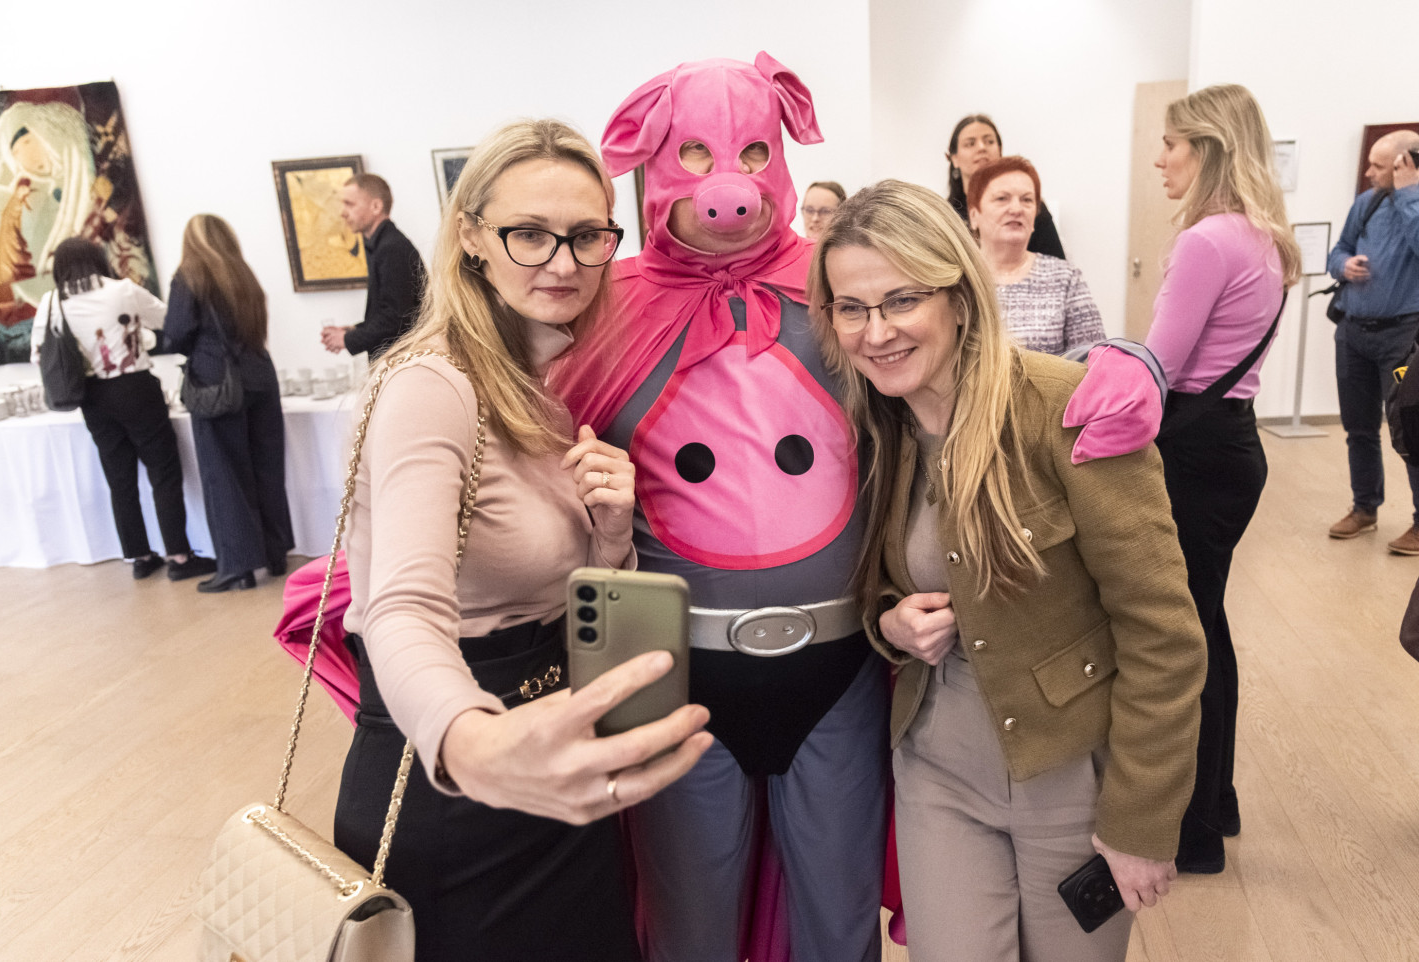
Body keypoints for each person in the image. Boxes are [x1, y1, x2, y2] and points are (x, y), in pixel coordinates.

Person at [549, 53, 1167, 962]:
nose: (727, 186)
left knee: (839, 925)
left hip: (841, 663)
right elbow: (524, 404)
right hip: (680, 668)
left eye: (752, 154)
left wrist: (1129, 363)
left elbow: (954, 376)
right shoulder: (613, 305)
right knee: (685, 927)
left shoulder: (833, 286)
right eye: (698, 156)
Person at [330, 118, 713, 962]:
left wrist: (609, 537)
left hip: (546, 762)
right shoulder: (432, 384)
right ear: (471, 236)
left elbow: (544, 591)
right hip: (457, 787)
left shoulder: (535, 386)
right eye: (530, 234)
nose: (564, 263)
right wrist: (473, 745)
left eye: (586, 236)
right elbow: (400, 606)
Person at [809, 178, 1206, 962]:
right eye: (851, 308)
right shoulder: (874, 432)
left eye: (901, 300)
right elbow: (880, 581)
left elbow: (1163, 634)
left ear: (959, 296)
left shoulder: (1068, 411)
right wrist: (891, 621)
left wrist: (1142, 819)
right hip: (937, 775)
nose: (875, 332)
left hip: (1071, 777)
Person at [1147, 83, 1301, 874]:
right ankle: (1218, 801)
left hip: (1193, 455)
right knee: (1207, 629)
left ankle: (1195, 829)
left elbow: (1160, 365)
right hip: (1232, 444)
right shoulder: (1264, 237)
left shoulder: (1208, 241)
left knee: (1184, 641)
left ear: (1206, 148)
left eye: (1171, 144)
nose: (1160, 159)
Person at [29, 238, 215, 582]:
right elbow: (167, 320)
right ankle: (179, 556)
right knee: (163, 471)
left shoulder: (51, 303)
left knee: (119, 478)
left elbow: (38, 355)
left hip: (91, 396)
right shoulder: (122, 291)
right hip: (135, 387)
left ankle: (140, 557)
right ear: (99, 259)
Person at [162, 215, 294, 592]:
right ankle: (275, 553)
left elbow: (175, 334)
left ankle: (238, 567)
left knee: (224, 473)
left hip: (217, 383)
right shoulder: (243, 274)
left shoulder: (190, 276)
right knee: (266, 467)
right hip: (260, 375)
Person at [1326, 129, 1419, 553]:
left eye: (1378, 166)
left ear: (1404, 164)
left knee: (1411, 431)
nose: (1368, 173)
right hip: (1353, 333)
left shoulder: (1412, 203)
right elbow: (1337, 250)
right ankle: (1365, 508)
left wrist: (1409, 195)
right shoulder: (1367, 203)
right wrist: (1344, 265)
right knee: (1358, 427)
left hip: (1403, 337)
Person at [967, 156, 1104, 354]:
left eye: (1027, 200)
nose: (1016, 209)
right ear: (974, 216)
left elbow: (1094, 359)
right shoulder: (958, 278)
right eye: (1002, 198)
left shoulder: (1066, 278)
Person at [320, 173, 426, 359]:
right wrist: (353, 330)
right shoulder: (384, 245)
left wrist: (348, 339)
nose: (343, 213)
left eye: (350, 204)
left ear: (376, 206)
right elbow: (390, 311)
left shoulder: (391, 247)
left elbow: (397, 318)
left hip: (402, 361)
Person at [945, 113, 1065, 259]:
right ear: (954, 158)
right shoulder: (945, 216)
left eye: (989, 141)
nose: (982, 148)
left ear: (1000, 151)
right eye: (970, 144)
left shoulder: (1027, 207)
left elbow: (1057, 265)